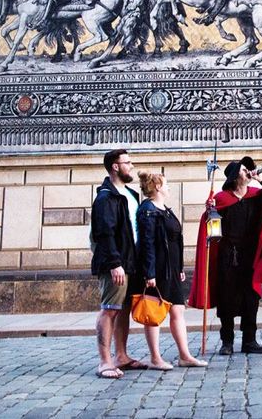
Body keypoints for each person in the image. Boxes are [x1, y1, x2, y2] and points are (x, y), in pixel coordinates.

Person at [188, 156, 262, 355]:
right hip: (227, 256)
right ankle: (227, 342)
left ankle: (250, 340)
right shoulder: (222, 199)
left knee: (251, 299)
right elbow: (210, 226)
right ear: (234, 176)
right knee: (227, 299)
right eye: (243, 169)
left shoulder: (256, 195)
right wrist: (209, 211)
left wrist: (260, 179)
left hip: (250, 256)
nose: (247, 171)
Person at [136, 172, 208, 370]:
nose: (169, 187)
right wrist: (149, 273)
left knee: (178, 310)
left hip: (172, 269)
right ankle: (155, 358)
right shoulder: (147, 210)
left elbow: (176, 240)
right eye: (166, 184)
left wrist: (180, 267)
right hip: (157, 270)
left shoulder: (165, 210)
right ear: (157, 186)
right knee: (154, 312)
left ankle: (184, 355)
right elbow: (147, 244)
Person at [90, 149, 143, 379]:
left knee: (123, 310)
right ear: (115, 166)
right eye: (127, 162)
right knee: (109, 310)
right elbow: (104, 233)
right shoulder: (105, 197)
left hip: (130, 262)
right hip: (115, 263)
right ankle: (105, 362)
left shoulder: (130, 194)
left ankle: (121, 355)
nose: (130, 166)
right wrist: (114, 263)